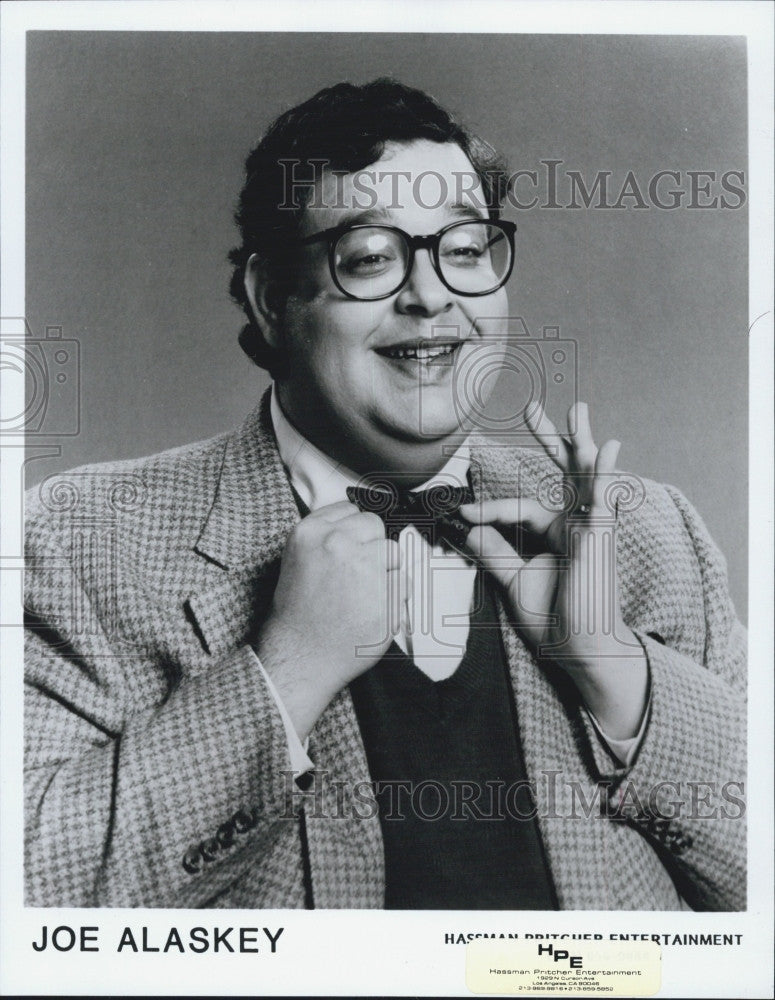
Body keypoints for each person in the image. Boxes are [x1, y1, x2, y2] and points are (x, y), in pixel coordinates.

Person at [24, 79, 746, 911]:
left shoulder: (648, 534)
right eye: (370, 257)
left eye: (465, 250)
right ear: (270, 299)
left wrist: (620, 674)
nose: (432, 295)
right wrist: (285, 673)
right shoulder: (79, 540)